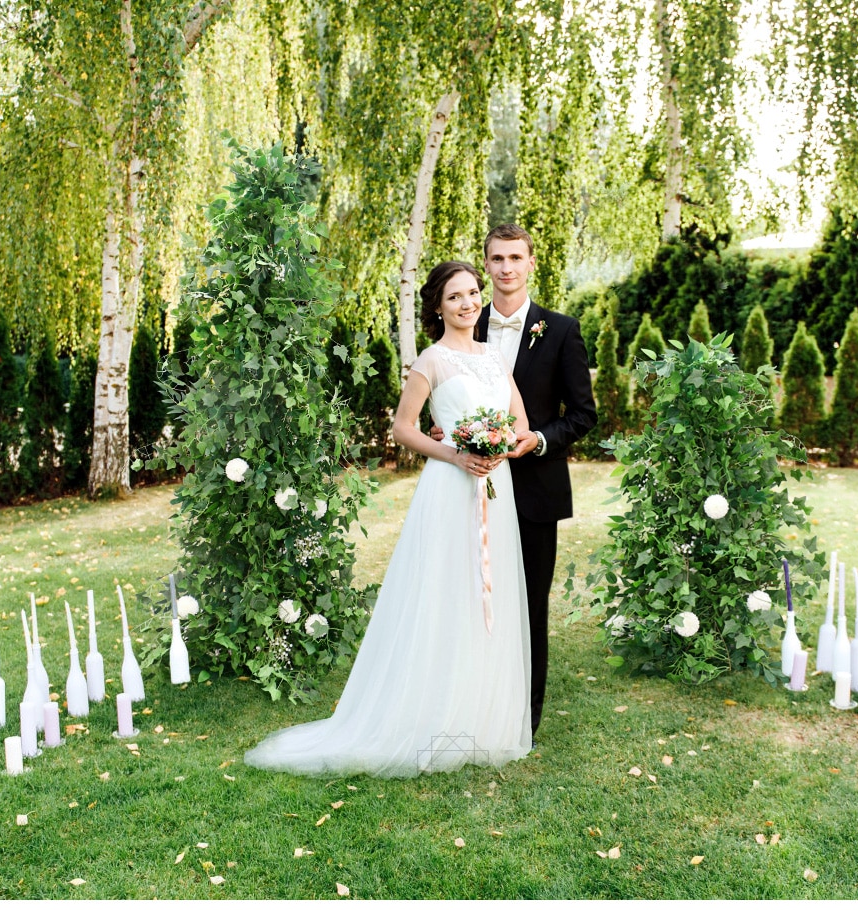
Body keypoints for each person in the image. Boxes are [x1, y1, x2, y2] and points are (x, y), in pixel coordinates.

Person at [245, 261, 533, 777]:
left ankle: (482, 719)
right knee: (446, 593)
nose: (467, 304)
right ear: (438, 307)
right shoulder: (431, 360)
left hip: (495, 486)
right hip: (450, 487)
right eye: (454, 297)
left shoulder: (495, 357)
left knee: (488, 595)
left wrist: (498, 448)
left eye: (472, 293)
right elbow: (403, 429)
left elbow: (519, 422)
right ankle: (430, 714)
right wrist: (456, 455)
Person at [475, 223, 596, 740]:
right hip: (473, 489)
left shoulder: (562, 330)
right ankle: (475, 698)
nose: (506, 268)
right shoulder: (465, 321)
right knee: (476, 599)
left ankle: (526, 713)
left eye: (515, 258)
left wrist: (539, 440)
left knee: (529, 604)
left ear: (530, 264)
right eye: (497, 258)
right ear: (486, 265)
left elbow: (583, 414)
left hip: (534, 493)